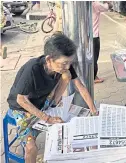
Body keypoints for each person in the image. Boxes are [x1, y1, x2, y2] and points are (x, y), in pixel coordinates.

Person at [6, 33, 97, 163]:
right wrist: (47, 118)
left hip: (43, 101)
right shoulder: (32, 69)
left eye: (69, 63)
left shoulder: (64, 66)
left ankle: (53, 109)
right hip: (22, 108)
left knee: (66, 77)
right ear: (49, 59)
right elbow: (21, 100)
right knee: (31, 148)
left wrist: (94, 111)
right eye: (64, 63)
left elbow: (80, 87)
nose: (67, 67)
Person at [92, 1, 113, 83]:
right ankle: (93, 77)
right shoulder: (95, 4)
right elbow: (108, 6)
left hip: (83, 37)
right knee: (94, 58)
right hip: (94, 36)